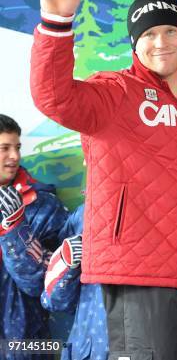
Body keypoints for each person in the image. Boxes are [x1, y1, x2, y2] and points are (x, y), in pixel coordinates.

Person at [30, 0, 177, 360]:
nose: (160, 42)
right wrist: (55, 25)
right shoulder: (114, 92)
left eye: (169, 31)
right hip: (140, 275)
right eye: (148, 35)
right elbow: (54, 98)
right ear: (134, 44)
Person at [0, 113, 70, 359]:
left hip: (24, 343)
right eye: (4, 148)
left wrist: (14, 230)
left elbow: (45, 284)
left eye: (17, 147)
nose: (15, 157)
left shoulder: (44, 205)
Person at [42, 204, 109, 360]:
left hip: (134, 344)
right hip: (84, 346)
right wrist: (68, 265)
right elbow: (53, 300)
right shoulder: (84, 213)